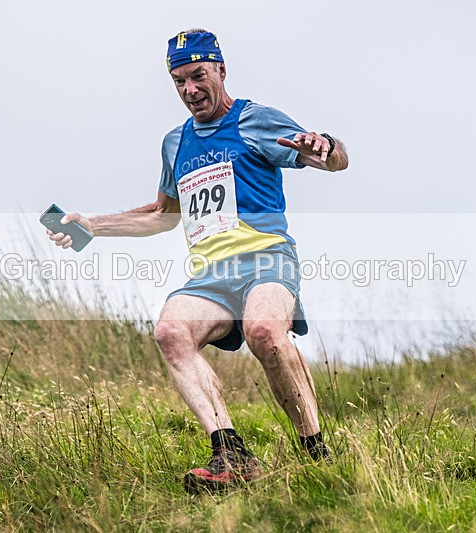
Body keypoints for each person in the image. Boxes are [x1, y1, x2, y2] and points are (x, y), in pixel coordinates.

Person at [47, 29, 349, 493]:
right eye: (179, 81)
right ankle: (231, 455)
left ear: (221, 70)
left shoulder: (256, 120)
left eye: (198, 76)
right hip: (211, 275)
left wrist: (326, 146)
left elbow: (333, 160)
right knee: (170, 332)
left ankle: (316, 451)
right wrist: (90, 225)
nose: (190, 90)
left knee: (264, 332)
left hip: (267, 259)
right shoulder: (175, 143)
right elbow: (162, 215)